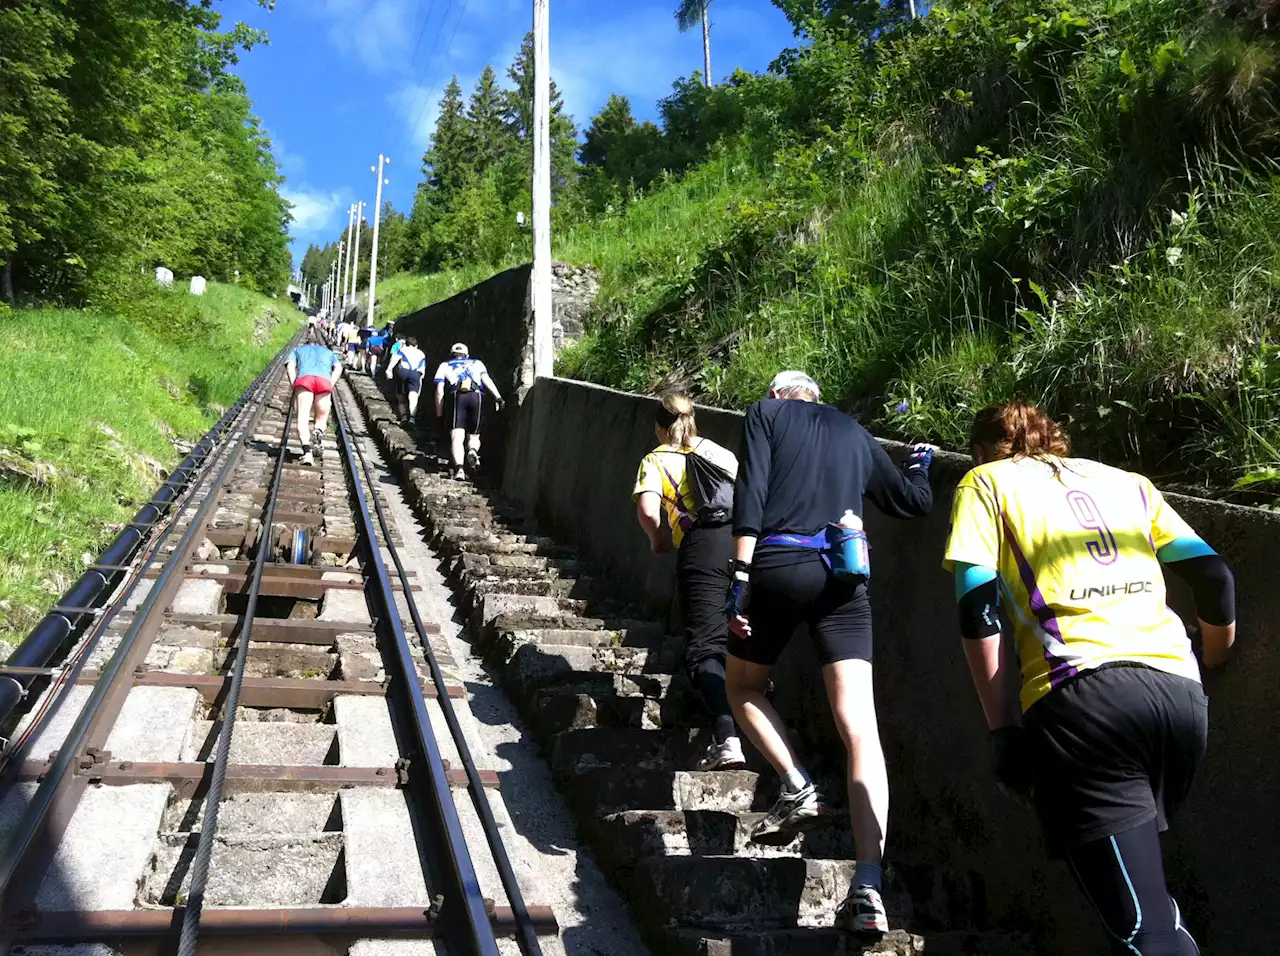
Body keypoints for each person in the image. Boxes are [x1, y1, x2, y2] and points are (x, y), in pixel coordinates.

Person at [943, 402, 1235, 956]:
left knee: (1139, 931)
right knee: (1155, 915)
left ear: (982, 451)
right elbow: (1216, 577)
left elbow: (977, 610)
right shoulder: (1127, 483)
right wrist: (1214, 657)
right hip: (1178, 695)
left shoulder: (985, 483)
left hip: (1085, 706)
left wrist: (1003, 735)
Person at [723, 370, 934, 935]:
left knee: (741, 685)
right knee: (860, 727)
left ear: (777, 394)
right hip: (845, 575)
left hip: (780, 565)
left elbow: (753, 491)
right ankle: (869, 883)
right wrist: (921, 465)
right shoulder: (854, 431)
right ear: (817, 396)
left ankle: (797, 784)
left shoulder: (765, 415)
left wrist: (739, 575)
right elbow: (913, 502)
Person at [633, 394, 748, 771]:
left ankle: (727, 736)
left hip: (703, 548)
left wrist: (658, 539)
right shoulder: (720, 453)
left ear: (658, 425)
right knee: (743, 634)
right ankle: (756, 719)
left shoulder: (656, 458)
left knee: (704, 646)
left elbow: (650, 510)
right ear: (694, 418)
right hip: (746, 545)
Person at [434, 342, 504, 480]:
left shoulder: (445, 365)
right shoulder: (477, 363)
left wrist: (439, 413)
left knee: (457, 436)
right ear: (467, 354)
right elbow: (486, 379)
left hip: (457, 396)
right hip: (476, 396)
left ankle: (460, 470)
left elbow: (439, 391)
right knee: (474, 436)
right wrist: (498, 397)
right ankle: (472, 450)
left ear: (452, 354)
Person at [286, 330, 343, 466]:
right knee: (321, 418)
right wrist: (331, 383)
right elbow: (339, 368)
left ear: (307, 343)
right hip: (324, 381)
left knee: (303, 419)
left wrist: (295, 384)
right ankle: (318, 431)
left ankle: (307, 454)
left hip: (305, 380)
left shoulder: (297, 349)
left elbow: (290, 366)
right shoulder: (329, 352)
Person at [386, 336, 428, 424]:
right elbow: (422, 370)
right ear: (416, 345)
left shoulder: (402, 350)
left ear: (406, 344)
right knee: (413, 396)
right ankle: (412, 418)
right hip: (415, 374)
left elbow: (395, 359)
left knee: (401, 397)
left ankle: (404, 417)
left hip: (403, 372)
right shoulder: (421, 353)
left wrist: (389, 370)